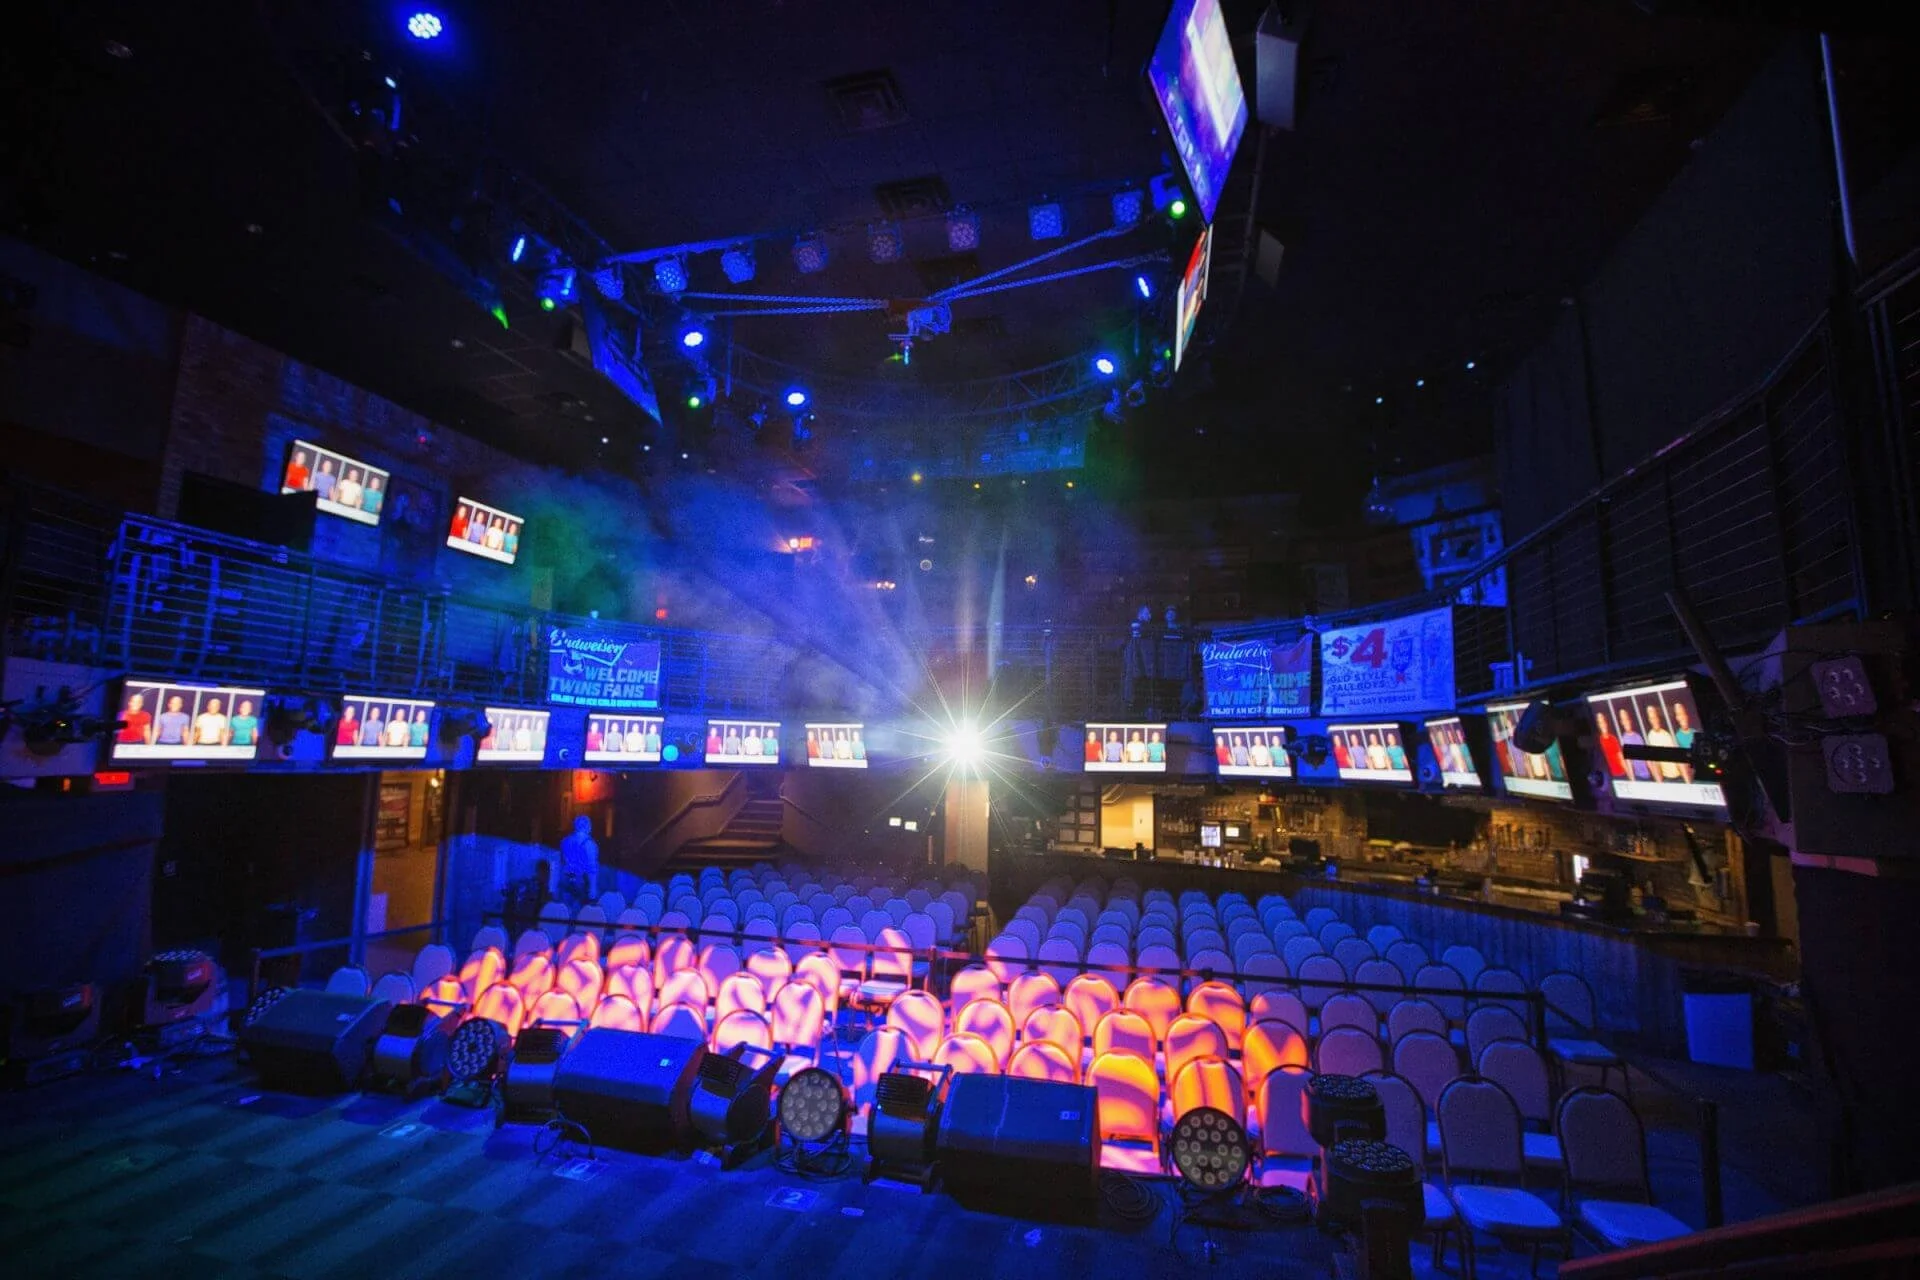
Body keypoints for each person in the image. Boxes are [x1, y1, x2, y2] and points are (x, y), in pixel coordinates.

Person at [559, 815, 599, 902]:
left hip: (565, 881)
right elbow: (592, 869)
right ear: (588, 827)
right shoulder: (589, 844)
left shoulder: (565, 841)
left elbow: (561, 862)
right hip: (580, 883)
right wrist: (593, 893)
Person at [1643, 702, 1683, 781]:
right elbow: (1653, 762)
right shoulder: (1649, 737)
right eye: (1652, 717)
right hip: (1666, 778)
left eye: (1655, 716)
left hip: (1679, 776)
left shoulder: (1667, 734)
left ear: (1658, 717)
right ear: (1649, 720)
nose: (1654, 720)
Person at [1616, 704, 1652, 781]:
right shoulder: (1623, 740)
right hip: (1638, 777)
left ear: (1630, 719)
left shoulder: (1638, 736)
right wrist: (1633, 780)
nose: (1626, 721)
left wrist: (1653, 774)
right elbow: (1628, 762)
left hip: (1648, 775)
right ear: (1621, 722)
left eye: (1627, 718)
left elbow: (1647, 757)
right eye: (1623, 719)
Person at [1593, 709, 1628, 778]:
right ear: (1598, 725)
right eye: (1600, 722)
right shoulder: (1598, 742)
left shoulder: (1613, 738)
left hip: (1622, 774)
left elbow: (1621, 758)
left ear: (1606, 723)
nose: (1603, 724)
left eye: (1603, 721)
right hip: (1611, 776)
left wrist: (1628, 774)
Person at [1669, 699, 1697, 782]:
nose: (1682, 717)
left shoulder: (1695, 732)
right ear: (1676, 717)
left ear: (1687, 715)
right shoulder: (1676, 736)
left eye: (1683, 713)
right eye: (1678, 714)